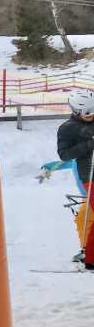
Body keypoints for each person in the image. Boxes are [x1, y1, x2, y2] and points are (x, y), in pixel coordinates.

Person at [57, 88, 94, 269]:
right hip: (90, 176)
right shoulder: (67, 129)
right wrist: (89, 145)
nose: (92, 116)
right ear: (76, 111)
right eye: (88, 113)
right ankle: (90, 258)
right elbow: (64, 155)